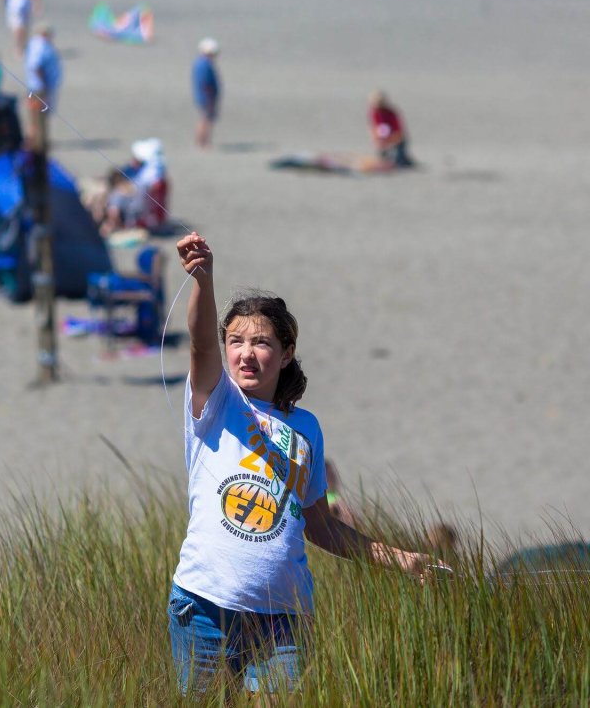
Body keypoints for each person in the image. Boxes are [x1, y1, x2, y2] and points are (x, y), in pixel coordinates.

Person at [169, 232, 448, 695]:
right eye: (235, 341)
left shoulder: (308, 429)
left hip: (285, 618)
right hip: (204, 606)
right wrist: (204, 278)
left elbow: (321, 525)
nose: (245, 353)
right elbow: (200, 347)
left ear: (286, 352)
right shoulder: (215, 402)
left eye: (260, 343)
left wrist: (401, 559)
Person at [24, 22, 62, 138]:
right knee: (39, 117)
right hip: (39, 88)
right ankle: (38, 143)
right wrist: (44, 83)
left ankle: (36, 141)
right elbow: (36, 66)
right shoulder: (40, 46)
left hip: (37, 86)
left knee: (37, 117)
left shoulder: (36, 44)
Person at [368, 91, 414, 168]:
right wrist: (377, 139)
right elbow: (375, 127)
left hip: (396, 138)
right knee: (383, 156)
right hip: (383, 138)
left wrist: (391, 140)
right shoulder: (374, 112)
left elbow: (399, 131)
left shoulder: (391, 113)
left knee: (400, 158)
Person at [192, 38, 221, 149]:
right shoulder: (204, 64)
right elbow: (205, 82)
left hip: (204, 96)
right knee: (205, 120)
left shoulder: (201, 63)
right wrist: (210, 98)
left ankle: (202, 142)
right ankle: (203, 142)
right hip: (206, 97)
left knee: (205, 119)